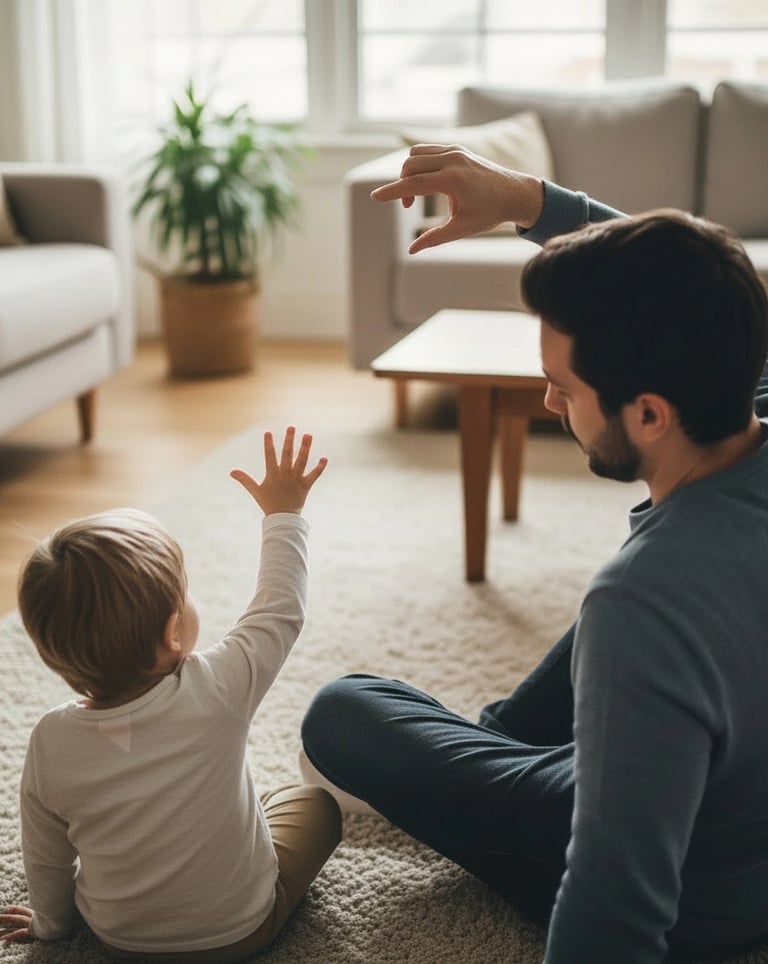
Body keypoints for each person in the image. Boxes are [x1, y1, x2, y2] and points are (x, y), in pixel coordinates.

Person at [300, 145, 768, 962]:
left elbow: (616, 915)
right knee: (571, 700)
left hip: (707, 903)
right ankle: (513, 744)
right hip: (734, 775)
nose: (548, 401)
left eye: (564, 386)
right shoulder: (740, 376)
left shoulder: (644, 598)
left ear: (650, 415)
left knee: (341, 712)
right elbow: (704, 287)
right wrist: (527, 199)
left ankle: (500, 773)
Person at [0, 426, 341, 963]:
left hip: (120, 942)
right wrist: (285, 513)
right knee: (314, 805)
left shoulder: (49, 740)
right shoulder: (219, 687)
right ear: (171, 633)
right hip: (241, 933)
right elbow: (280, 609)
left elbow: (46, 857)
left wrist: (50, 927)